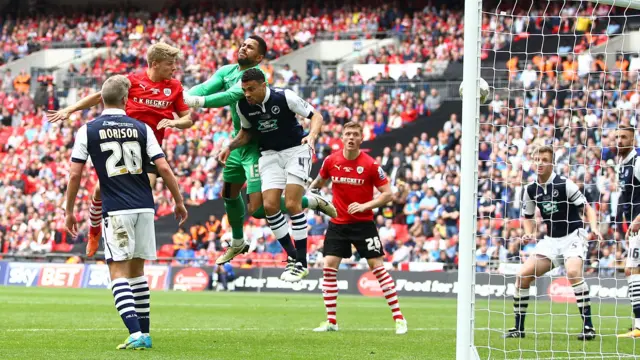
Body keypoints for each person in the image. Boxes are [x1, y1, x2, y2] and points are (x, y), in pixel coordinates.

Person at [184, 35, 336, 265]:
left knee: (258, 210)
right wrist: (185, 96)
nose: (243, 47)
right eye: (243, 44)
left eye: (250, 47)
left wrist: (194, 102)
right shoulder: (226, 71)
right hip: (238, 141)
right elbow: (205, 87)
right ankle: (237, 242)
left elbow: (229, 96)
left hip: (257, 146)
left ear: (259, 57)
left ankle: (309, 201)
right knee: (228, 194)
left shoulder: (256, 78)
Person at [64, 75, 188, 350]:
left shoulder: (88, 129)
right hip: (144, 206)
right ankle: (144, 333)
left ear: (102, 99)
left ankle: (134, 333)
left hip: (117, 209)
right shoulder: (143, 128)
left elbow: (75, 174)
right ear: (125, 100)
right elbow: (164, 169)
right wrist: (178, 201)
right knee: (138, 273)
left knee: (117, 272)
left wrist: (69, 210)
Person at [48, 42, 192, 257]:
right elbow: (100, 96)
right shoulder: (131, 82)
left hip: (149, 150)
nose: (174, 68)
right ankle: (95, 232)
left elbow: (188, 119)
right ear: (154, 64)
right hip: (125, 145)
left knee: (145, 188)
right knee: (98, 191)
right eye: (170, 64)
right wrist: (70, 109)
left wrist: (175, 123)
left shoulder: (175, 87)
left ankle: (130, 242)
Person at [217, 68, 322, 282]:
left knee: (292, 204)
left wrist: (311, 135)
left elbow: (316, 116)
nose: (247, 94)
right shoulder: (242, 106)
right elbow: (246, 133)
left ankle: (302, 262)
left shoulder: (285, 96)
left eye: (251, 89)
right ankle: (293, 257)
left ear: (263, 85)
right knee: (270, 206)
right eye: (244, 90)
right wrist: (230, 146)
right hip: (269, 155)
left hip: (296, 150)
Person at [308, 121, 408, 335]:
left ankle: (399, 319)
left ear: (361, 139)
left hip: (363, 224)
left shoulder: (371, 165)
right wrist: (309, 191)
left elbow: (388, 194)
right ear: (342, 138)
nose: (351, 137)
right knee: (328, 268)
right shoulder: (331, 161)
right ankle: (332, 321)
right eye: (348, 134)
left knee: (378, 269)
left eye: (355, 134)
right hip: (337, 223)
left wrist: (365, 205)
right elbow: (319, 183)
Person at [504, 145, 600, 341]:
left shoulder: (565, 184)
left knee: (573, 272)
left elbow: (587, 208)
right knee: (522, 276)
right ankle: (518, 328)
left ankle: (588, 327)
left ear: (552, 163)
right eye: (536, 159)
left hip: (573, 236)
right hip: (551, 241)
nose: (539, 163)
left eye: (544, 159)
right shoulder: (530, 190)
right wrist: (529, 232)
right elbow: (528, 216)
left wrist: (595, 227)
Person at [613, 127, 640, 338]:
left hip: (639, 223)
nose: (619, 141)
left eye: (624, 137)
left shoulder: (638, 162)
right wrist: (618, 222)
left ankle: (639, 326)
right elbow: (624, 196)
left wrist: (638, 219)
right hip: (631, 225)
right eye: (617, 137)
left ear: (633, 139)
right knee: (632, 271)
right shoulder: (622, 164)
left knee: (632, 270)